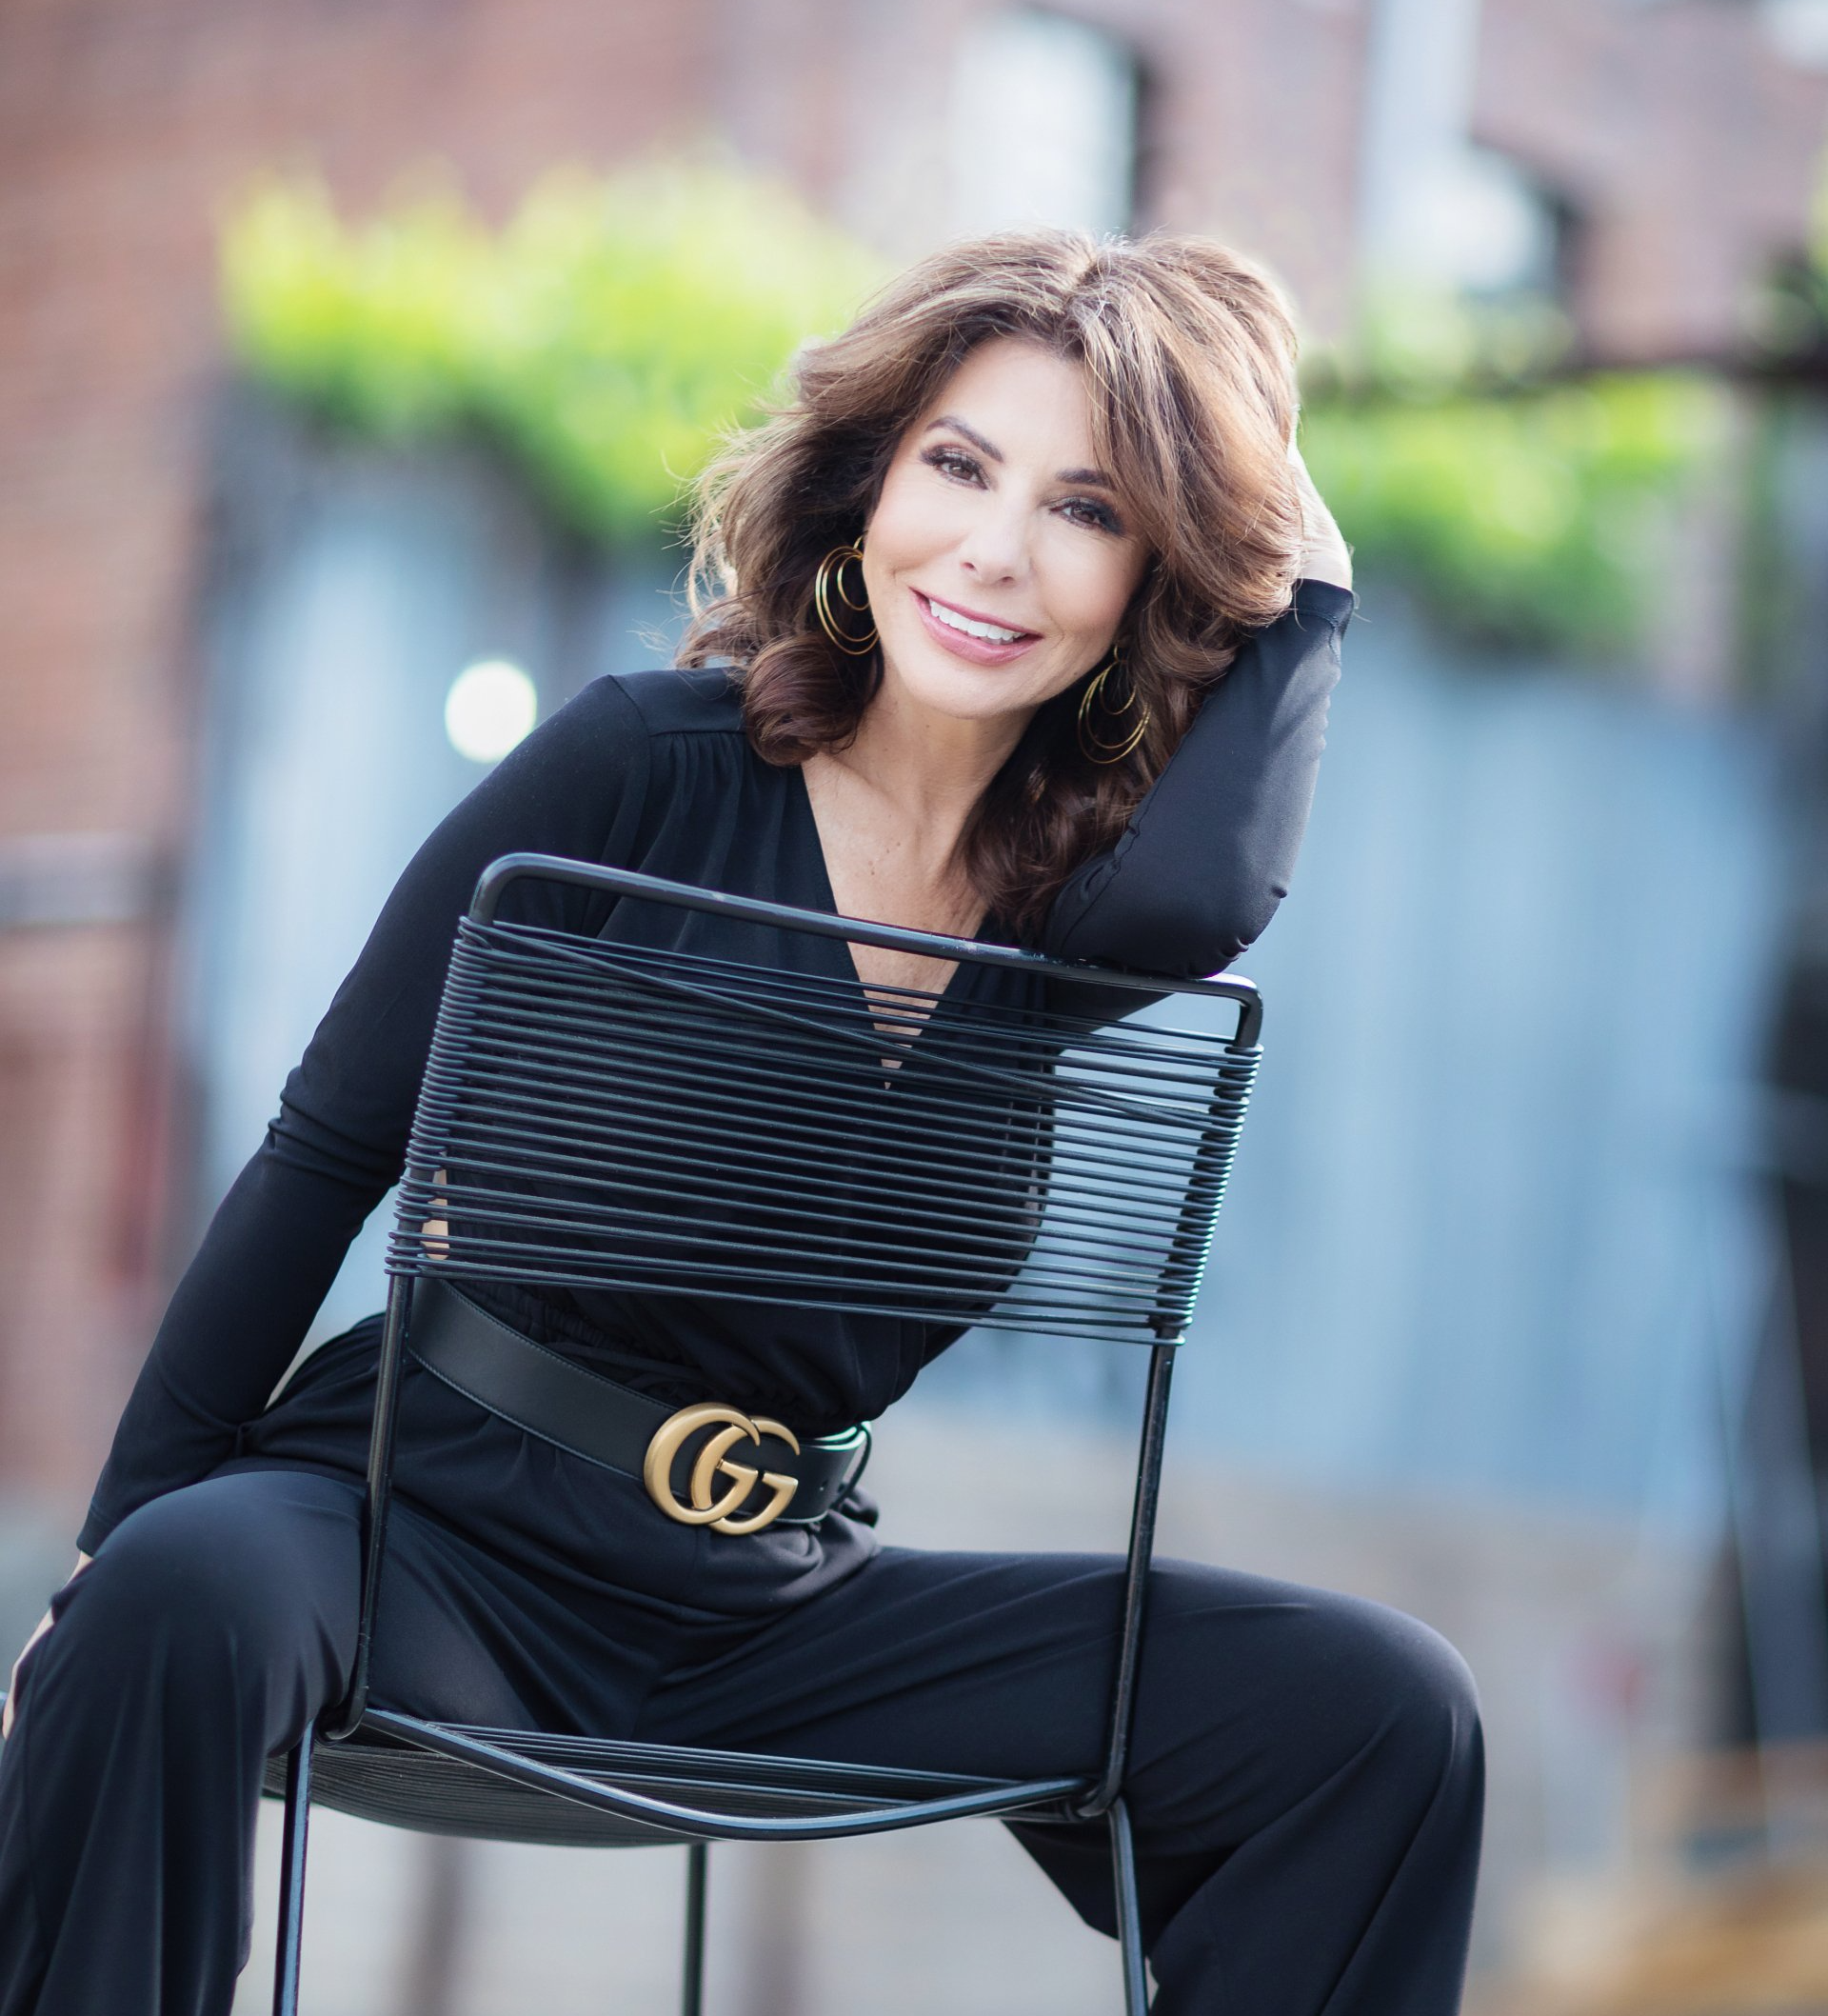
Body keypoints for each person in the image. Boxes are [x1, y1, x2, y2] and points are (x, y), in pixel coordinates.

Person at [0, 230, 1482, 2015]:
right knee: (179, 1589)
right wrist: (116, 1539)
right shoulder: (640, 763)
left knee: (1378, 1716)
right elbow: (325, 1151)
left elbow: (1206, 898)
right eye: (959, 467)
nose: (995, 551)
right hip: (430, 1536)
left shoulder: (1069, 922)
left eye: (1087, 511)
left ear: (1149, 580)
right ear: (872, 486)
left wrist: (1308, 593)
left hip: (770, 1607)